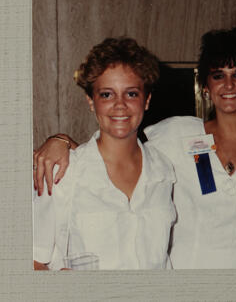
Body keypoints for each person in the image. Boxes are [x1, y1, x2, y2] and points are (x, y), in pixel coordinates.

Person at [33, 27, 236, 269]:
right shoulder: (176, 135)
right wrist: (60, 140)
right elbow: (112, 147)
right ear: (205, 87)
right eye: (218, 75)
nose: (228, 85)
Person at [33, 37, 176, 270]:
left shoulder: (164, 170)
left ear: (147, 100)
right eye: (107, 95)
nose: (120, 105)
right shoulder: (62, 173)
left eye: (131, 94)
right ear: (91, 101)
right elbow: (33, 260)